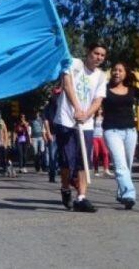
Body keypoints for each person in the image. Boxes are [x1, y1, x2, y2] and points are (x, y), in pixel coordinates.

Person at [53, 43, 107, 213]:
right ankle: (65, 188)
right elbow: (67, 84)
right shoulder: (74, 63)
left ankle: (81, 197)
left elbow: (98, 100)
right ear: (88, 52)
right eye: (96, 53)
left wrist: (87, 114)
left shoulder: (100, 76)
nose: (98, 57)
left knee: (83, 161)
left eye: (102, 55)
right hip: (66, 120)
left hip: (86, 123)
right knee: (67, 160)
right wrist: (76, 108)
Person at [101, 62, 139, 209]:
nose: (116, 73)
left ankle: (122, 193)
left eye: (120, 70)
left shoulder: (132, 89)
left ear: (126, 74)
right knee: (120, 165)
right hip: (111, 130)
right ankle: (129, 194)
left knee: (127, 165)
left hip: (130, 131)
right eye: (114, 70)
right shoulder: (104, 89)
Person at [42, 87, 61, 183]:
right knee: (52, 156)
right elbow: (45, 121)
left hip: (62, 132)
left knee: (62, 155)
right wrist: (48, 133)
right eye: (56, 94)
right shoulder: (48, 107)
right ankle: (52, 175)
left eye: (59, 94)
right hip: (53, 134)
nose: (57, 96)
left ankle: (62, 173)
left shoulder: (62, 105)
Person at [91, 108, 111, 177]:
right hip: (94, 137)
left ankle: (106, 169)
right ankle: (96, 170)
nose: (100, 111)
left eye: (101, 110)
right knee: (96, 154)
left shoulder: (103, 118)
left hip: (102, 137)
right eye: (99, 110)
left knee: (105, 152)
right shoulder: (93, 118)